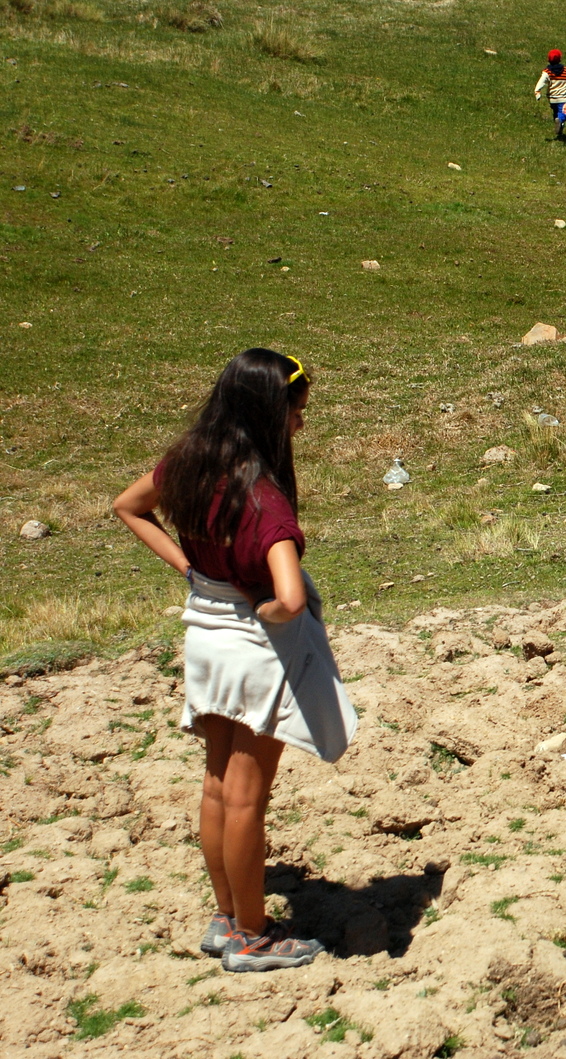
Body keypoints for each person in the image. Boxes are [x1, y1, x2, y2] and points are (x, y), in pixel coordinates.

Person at [113, 349, 358, 972]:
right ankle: (252, 935)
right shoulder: (264, 500)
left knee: (218, 784)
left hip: (204, 634)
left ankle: (227, 918)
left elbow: (127, 506)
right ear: (270, 413)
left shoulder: (190, 462)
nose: (302, 424)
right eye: (298, 412)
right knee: (248, 798)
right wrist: (268, 612)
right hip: (252, 649)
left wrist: (191, 572)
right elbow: (290, 595)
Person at [534, 49, 566, 137]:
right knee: (563, 114)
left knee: (556, 113)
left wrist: (537, 91)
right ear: (560, 59)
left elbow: (541, 82)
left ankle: (559, 128)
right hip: (564, 98)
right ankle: (560, 121)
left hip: (552, 99)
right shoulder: (565, 70)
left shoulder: (547, 72)